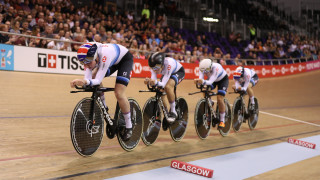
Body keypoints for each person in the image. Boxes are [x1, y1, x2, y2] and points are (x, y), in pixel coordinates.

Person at [70, 42, 134, 141]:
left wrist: (84, 81)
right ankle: (104, 106)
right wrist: (84, 81)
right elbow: (88, 78)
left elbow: (97, 81)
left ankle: (129, 126)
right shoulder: (87, 57)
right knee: (93, 77)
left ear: (96, 57)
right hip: (112, 61)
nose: (86, 65)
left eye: (88, 62)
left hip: (124, 60)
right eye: (83, 63)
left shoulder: (105, 55)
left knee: (119, 93)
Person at [144, 52, 185, 124]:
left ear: (162, 64)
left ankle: (173, 111)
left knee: (168, 87)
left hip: (178, 72)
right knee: (160, 91)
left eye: (156, 68)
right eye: (152, 68)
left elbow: (163, 84)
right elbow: (154, 81)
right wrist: (150, 82)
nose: (154, 70)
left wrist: (155, 82)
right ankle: (166, 114)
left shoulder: (168, 64)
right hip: (167, 73)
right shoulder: (154, 66)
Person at [194, 59, 229, 128]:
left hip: (222, 80)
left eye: (206, 70)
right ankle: (210, 104)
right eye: (204, 71)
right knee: (204, 89)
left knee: (219, 99)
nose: (205, 72)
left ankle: (222, 120)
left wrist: (202, 81)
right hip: (213, 80)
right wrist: (198, 81)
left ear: (210, 67)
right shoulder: (202, 68)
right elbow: (201, 79)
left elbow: (209, 82)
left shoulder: (216, 68)